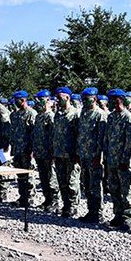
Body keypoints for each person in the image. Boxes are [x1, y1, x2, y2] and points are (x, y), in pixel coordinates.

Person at [105, 88, 131, 230]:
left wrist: (124, 160)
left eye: (114, 100)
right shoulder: (111, 117)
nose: (111, 102)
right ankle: (118, 215)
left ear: (120, 101)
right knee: (114, 189)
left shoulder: (128, 117)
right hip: (112, 160)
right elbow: (107, 139)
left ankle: (128, 219)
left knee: (126, 191)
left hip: (124, 162)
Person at [77, 87, 106, 223]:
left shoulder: (100, 114)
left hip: (94, 156)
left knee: (95, 184)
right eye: (83, 99)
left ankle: (98, 212)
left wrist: (98, 156)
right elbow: (80, 134)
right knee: (87, 184)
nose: (84, 102)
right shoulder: (83, 113)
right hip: (83, 154)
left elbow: (101, 138)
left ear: (94, 99)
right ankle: (91, 210)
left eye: (87, 99)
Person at [51, 87, 80, 217]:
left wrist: (76, 153)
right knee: (61, 181)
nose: (57, 100)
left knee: (72, 182)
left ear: (67, 97)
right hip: (58, 153)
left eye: (59, 97)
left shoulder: (75, 114)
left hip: (70, 154)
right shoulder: (58, 114)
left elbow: (78, 135)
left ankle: (73, 206)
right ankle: (66, 205)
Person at [32, 90, 59, 212]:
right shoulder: (38, 116)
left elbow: (53, 136)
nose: (38, 102)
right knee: (43, 177)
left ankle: (54, 201)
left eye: (41, 99)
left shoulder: (51, 116)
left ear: (48, 100)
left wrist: (52, 152)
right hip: (39, 152)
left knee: (51, 177)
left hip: (48, 152)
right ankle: (47, 199)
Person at [9, 90, 37, 207]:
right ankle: (22, 196)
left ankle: (29, 197)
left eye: (18, 101)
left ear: (24, 100)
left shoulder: (31, 113)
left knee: (28, 174)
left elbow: (34, 133)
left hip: (27, 150)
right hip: (17, 149)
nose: (16, 103)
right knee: (19, 174)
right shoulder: (14, 115)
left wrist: (32, 150)